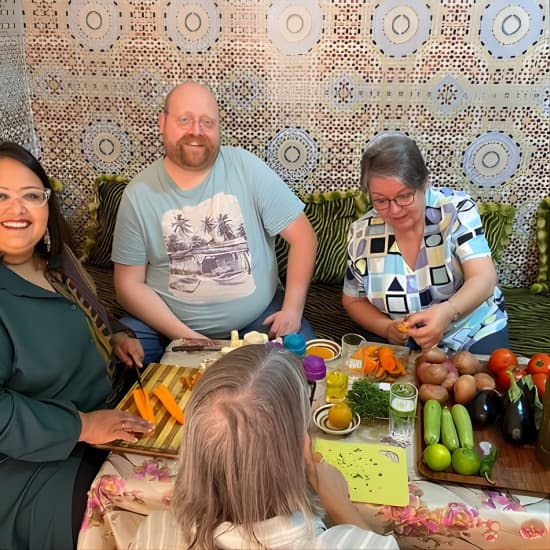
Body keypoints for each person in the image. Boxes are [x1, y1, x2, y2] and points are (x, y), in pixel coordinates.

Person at [0, 142, 155, 550]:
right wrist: (83, 426)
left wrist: (116, 334)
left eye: (31, 195)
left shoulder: (57, 258)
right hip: (39, 461)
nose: (16, 210)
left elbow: (89, 315)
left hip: (116, 411)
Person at [112, 81, 317, 364]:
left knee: (304, 361)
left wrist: (292, 310)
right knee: (115, 354)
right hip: (164, 327)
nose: (196, 130)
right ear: (162, 122)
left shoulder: (247, 168)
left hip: (258, 319)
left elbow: (303, 237)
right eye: (185, 120)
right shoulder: (138, 194)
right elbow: (128, 285)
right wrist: (184, 336)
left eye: (207, 122)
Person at [130, 344, 399, 550]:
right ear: (301, 447)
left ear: (192, 452)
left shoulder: (154, 532)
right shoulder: (345, 544)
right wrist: (341, 506)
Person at [343, 132, 509, 354]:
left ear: (424, 184)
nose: (394, 210)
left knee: (484, 385)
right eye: (381, 200)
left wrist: (448, 311)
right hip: (404, 340)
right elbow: (354, 300)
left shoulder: (455, 210)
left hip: (470, 328)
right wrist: (387, 328)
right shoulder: (362, 233)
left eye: (404, 196)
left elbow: (484, 278)